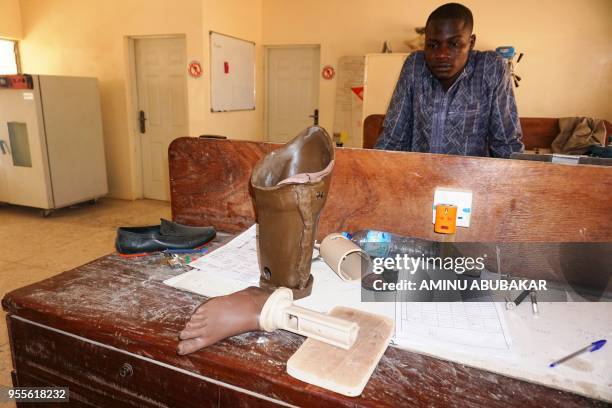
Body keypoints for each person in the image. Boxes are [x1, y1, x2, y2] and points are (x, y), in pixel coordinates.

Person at [375, 3, 524, 158]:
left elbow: (506, 144)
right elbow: (393, 137)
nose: (441, 54)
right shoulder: (415, 66)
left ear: (471, 43)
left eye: (454, 44)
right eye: (432, 45)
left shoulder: (490, 67)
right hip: (419, 177)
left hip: (471, 180)